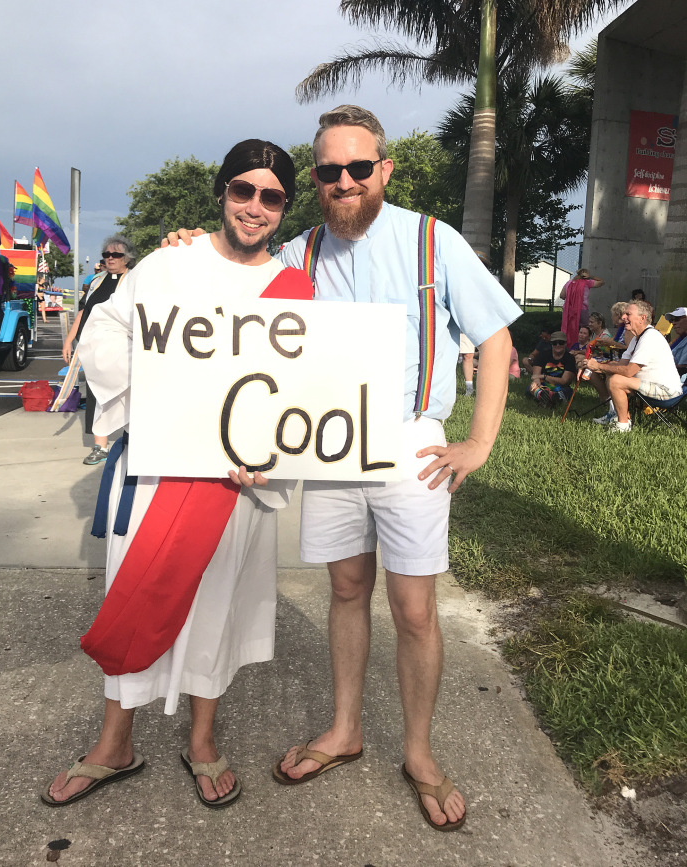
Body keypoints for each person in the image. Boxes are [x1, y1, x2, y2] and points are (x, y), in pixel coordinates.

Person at [170, 106, 519, 831]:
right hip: (327, 447)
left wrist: (478, 442)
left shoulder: (433, 240)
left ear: (384, 170)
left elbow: (495, 338)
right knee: (347, 588)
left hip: (409, 444)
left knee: (415, 608)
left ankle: (419, 753)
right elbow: (232, 303)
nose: (345, 182)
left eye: (359, 168)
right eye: (329, 171)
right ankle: (345, 728)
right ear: (318, 180)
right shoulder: (298, 253)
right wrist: (185, 248)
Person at [44, 139, 313, 811]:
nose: (255, 207)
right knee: (140, 589)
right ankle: (115, 743)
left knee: (216, 604)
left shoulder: (293, 288)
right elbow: (106, 332)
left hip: (237, 480)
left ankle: (202, 740)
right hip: (161, 470)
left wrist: (275, 448)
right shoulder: (169, 263)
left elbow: (302, 384)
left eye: (271, 196)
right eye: (243, 190)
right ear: (222, 192)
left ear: (284, 208)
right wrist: (156, 396)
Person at [62, 235, 136, 466]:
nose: (110, 258)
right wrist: (70, 340)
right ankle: (100, 446)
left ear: (127, 258)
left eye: (116, 255)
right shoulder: (96, 281)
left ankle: (134, 440)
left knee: (128, 393)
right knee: (95, 394)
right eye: (106, 255)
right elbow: (84, 312)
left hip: (122, 349)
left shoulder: (133, 280)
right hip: (93, 349)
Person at [580, 300, 682, 432]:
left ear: (642, 318)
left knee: (616, 380)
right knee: (612, 369)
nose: (623, 317)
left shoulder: (650, 337)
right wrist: (592, 365)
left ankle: (623, 425)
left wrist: (598, 367)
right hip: (650, 384)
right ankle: (616, 414)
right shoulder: (637, 338)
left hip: (667, 391)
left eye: (628, 314)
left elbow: (628, 371)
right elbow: (620, 364)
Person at [526, 331, 575, 406]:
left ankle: (546, 398)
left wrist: (544, 376)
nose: (557, 345)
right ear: (551, 344)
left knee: (567, 392)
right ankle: (547, 397)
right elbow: (535, 376)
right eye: (555, 343)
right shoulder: (543, 355)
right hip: (542, 385)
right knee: (531, 387)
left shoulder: (570, 358)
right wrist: (536, 382)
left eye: (561, 342)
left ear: (565, 344)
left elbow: (564, 381)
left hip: (561, 387)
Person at [560, 268, 604, 348]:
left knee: (569, 331)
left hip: (568, 312)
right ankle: (584, 348)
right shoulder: (587, 282)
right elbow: (601, 282)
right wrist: (591, 277)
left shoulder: (569, 283)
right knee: (584, 331)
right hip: (582, 311)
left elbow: (562, 296)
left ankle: (569, 348)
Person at [666, 307, 687, 376]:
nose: (673, 323)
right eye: (672, 320)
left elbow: (682, 369)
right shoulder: (680, 339)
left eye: (677, 319)